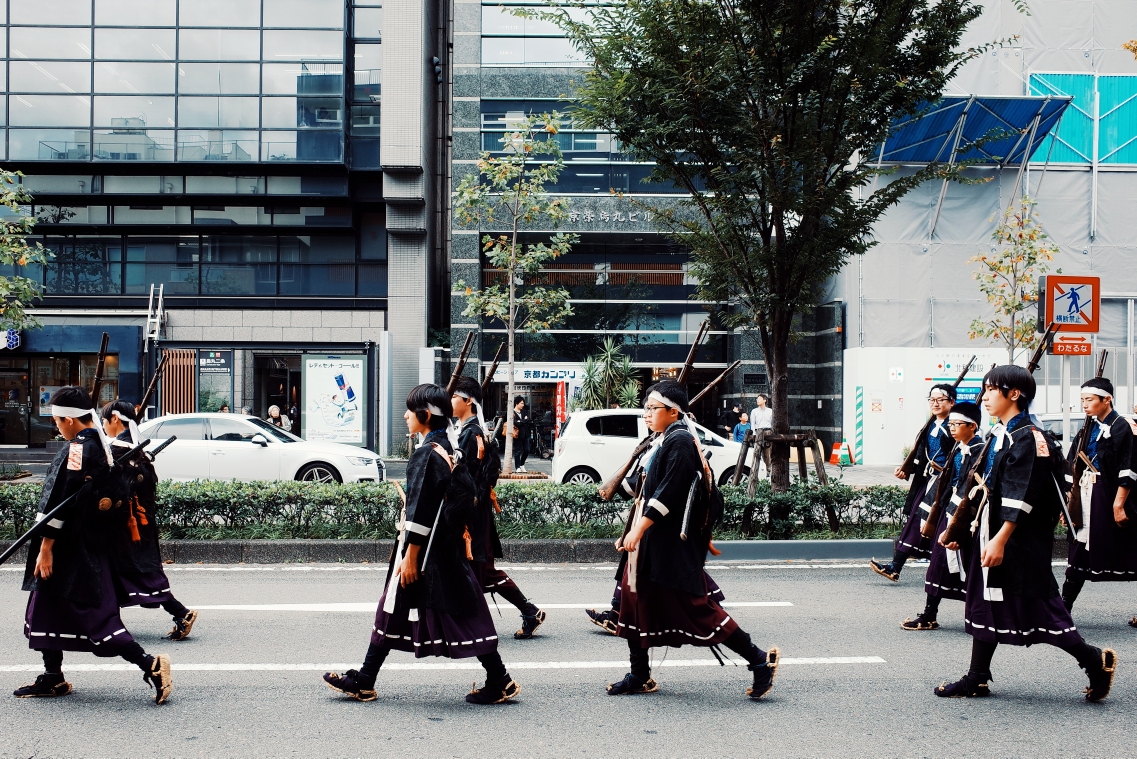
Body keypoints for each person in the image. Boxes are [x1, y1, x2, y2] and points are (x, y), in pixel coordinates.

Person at [323, 384, 520, 704]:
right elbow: (462, 499)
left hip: (425, 552)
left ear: (425, 415)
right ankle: (499, 678)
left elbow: (419, 510)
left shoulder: (427, 454)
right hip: (443, 548)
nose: (404, 416)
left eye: (409, 410)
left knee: (396, 608)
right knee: (459, 609)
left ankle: (364, 679)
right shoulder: (449, 449)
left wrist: (411, 557)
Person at [934, 365, 1116, 701]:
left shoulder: (1030, 437)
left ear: (1014, 394)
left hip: (1019, 542)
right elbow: (980, 483)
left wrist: (1001, 539)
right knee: (985, 600)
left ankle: (1094, 661)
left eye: (992, 389)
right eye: (985, 389)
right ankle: (977, 676)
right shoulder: (1000, 434)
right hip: (992, 532)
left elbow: (1025, 492)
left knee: (1040, 608)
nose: (985, 396)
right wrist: (959, 526)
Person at [606, 380, 779, 699]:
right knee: (633, 602)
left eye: (652, 408)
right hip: (651, 541)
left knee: (697, 607)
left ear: (673, 412)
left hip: (669, 542)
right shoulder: (660, 440)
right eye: (645, 408)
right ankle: (639, 674)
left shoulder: (681, 441)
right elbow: (643, 485)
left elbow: (669, 491)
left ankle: (759, 662)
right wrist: (616, 485)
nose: (646, 413)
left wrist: (638, 529)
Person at [13, 387, 173, 704]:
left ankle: (151, 665)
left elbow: (56, 499)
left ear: (69, 421)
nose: (57, 427)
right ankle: (52, 677)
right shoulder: (104, 447)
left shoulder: (76, 450)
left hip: (69, 549)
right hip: (90, 543)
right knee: (45, 607)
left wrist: (46, 549)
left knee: (96, 618)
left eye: (58, 420)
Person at [452, 377, 546, 638]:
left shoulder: (471, 433)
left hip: (472, 515)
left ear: (467, 401)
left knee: (478, 571)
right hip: (476, 513)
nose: (450, 401)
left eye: (454, 397)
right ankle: (529, 611)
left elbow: (465, 480)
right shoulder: (470, 430)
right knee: (482, 572)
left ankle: (477, 629)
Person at [101, 400, 198, 641]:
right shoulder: (132, 449)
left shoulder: (120, 451)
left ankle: (180, 612)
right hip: (135, 525)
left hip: (125, 527)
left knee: (134, 573)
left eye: (104, 421)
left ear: (115, 420)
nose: (103, 426)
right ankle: (107, 621)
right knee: (120, 574)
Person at [899, 401, 983, 631]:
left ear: (973, 426)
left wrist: (959, 524)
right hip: (949, 512)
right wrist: (933, 514)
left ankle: (978, 616)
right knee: (937, 564)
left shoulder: (981, 451)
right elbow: (947, 485)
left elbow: (975, 490)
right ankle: (928, 615)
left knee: (971, 567)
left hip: (969, 518)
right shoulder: (957, 447)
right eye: (951, 424)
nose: (952, 428)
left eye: (957, 424)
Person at [1060, 377, 1137, 616]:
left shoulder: (1123, 426)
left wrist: (1119, 504)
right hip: (1086, 495)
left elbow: (1129, 466)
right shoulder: (1088, 428)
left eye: (1089, 399)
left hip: (1111, 495)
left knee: (1131, 548)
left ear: (1107, 399)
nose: (1084, 404)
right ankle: (1063, 609)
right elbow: (1072, 465)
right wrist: (1068, 505)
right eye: (1082, 400)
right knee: (1079, 549)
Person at [871, 384, 956, 582]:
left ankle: (900, 567)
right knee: (915, 523)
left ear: (951, 402)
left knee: (929, 526)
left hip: (944, 485)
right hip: (928, 482)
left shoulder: (954, 426)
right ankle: (896, 566)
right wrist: (906, 470)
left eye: (940, 400)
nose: (935, 404)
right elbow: (920, 454)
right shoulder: (931, 425)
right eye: (932, 400)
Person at [511, 397, 529, 472]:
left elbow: (527, 420)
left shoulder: (524, 412)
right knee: (517, 451)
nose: (523, 405)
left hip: (526, 434)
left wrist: (520, 421)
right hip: (518, 435)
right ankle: (517, 467)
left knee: (527, 450)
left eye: (523, 403)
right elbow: (516, 423)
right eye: (521, 403)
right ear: (516, 403)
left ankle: (522, 464)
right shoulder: (512, 413)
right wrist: (523, 420)